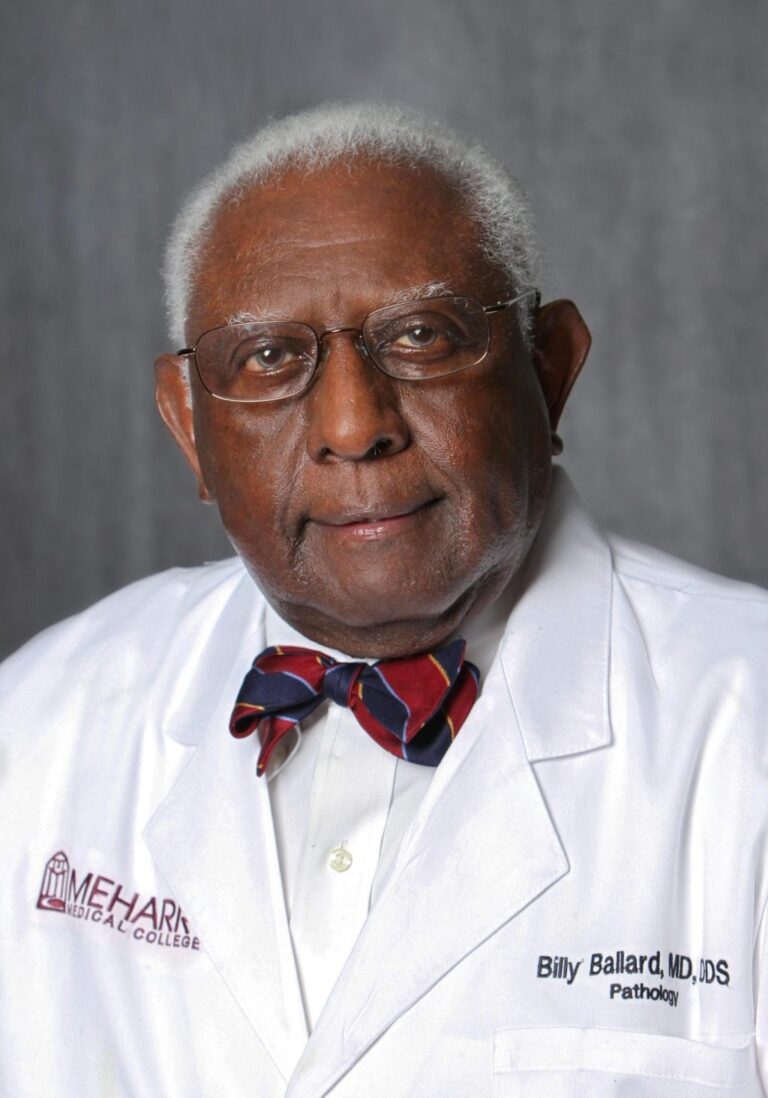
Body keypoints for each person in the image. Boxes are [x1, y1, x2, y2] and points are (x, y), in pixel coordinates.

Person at [1, 103, 767, 1097]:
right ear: (191, 428)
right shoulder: (38, 724)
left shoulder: (746, 730)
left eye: (422, 336)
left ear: (552, 371)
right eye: (271, 359)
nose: (355, 427)